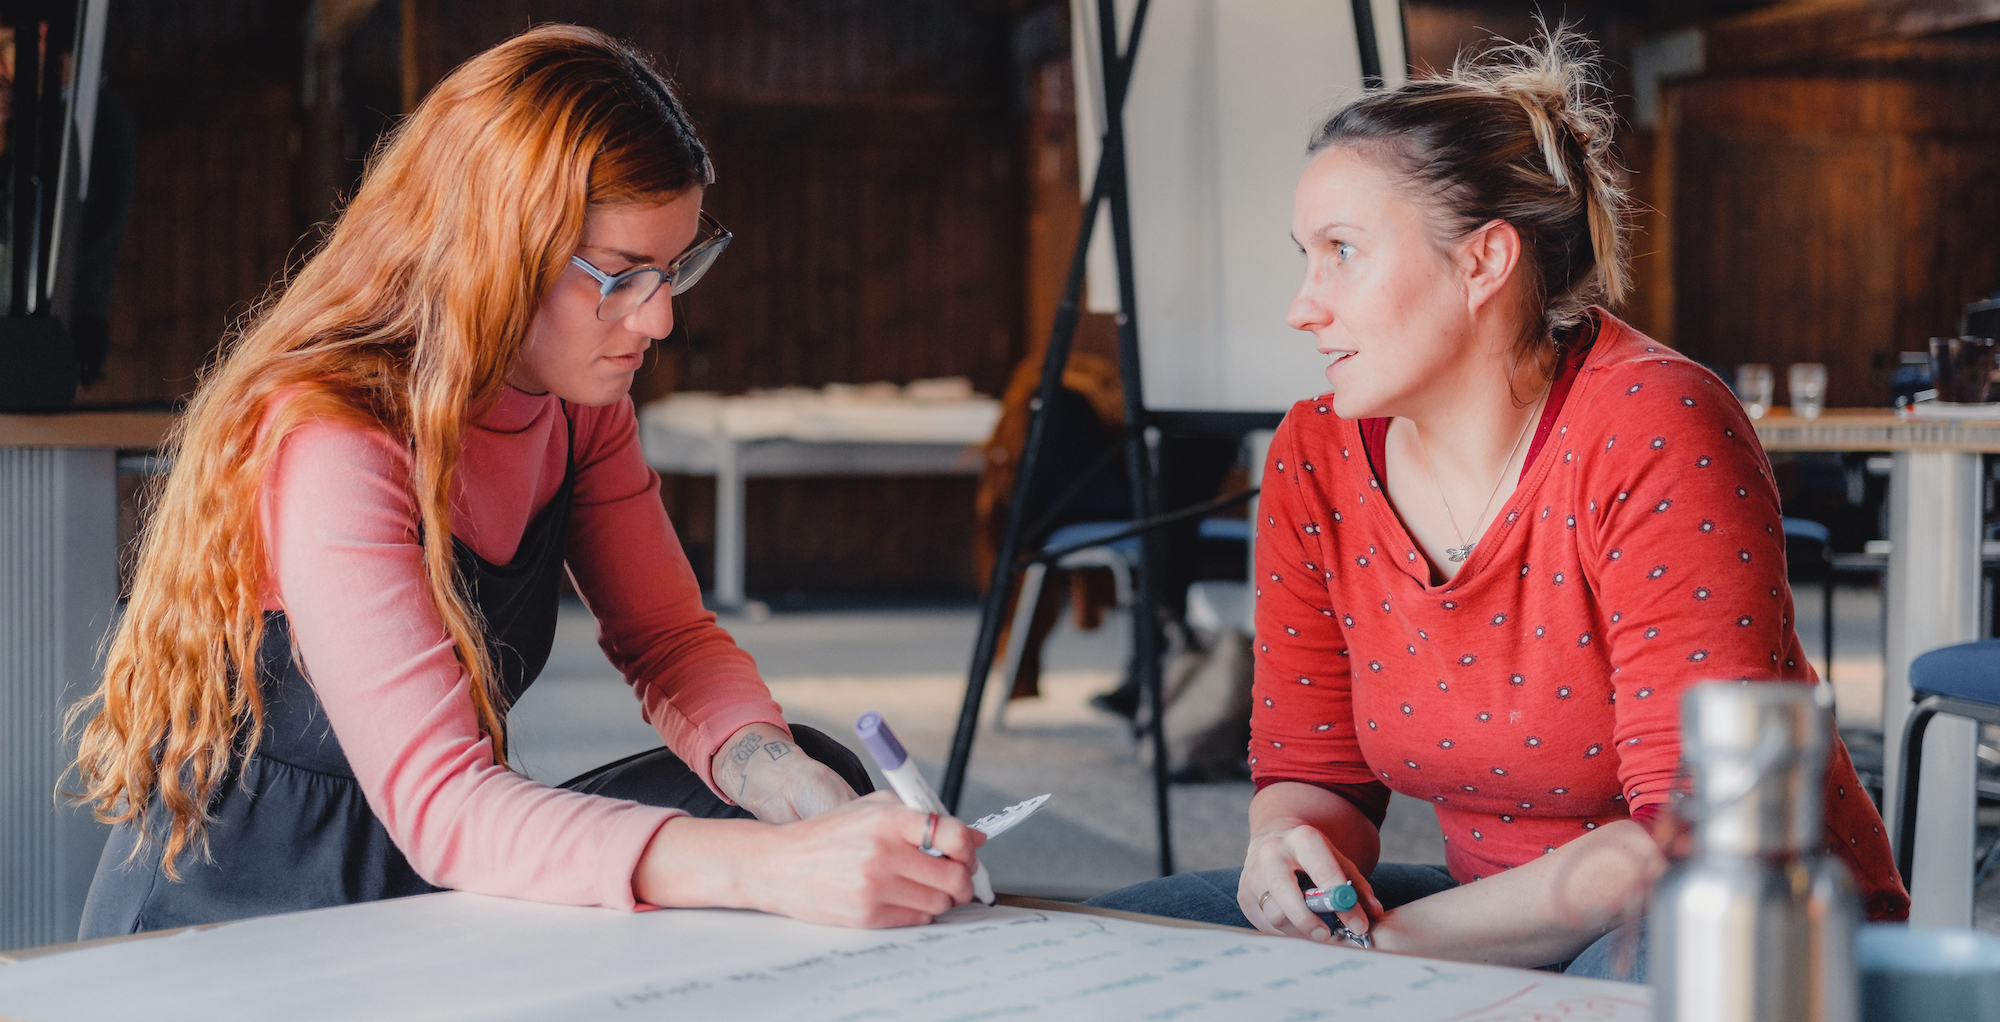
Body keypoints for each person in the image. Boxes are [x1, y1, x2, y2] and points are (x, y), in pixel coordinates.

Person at [68, 25, 982, 940]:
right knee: (759, 859)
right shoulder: (336, 437)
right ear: (493, 249)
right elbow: (445, 807)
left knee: (805, 780)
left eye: (674, 270)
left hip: (423, 870)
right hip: (244, 912)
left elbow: (667, 638)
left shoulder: (580, 402)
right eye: (622, 277)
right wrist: (774, 869)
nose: (659, 319)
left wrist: (779, 778)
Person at [1086, 26, 1907, 978]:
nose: (1302, 304)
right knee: (1119, 944)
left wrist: (1386, 951)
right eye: (1306, 255)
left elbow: (1699, 834)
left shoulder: (1654, 423)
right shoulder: (1316, 452)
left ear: (1483, 262)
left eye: (1341, 252)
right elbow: (1314, 775)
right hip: (1496, 920)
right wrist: (1286, 853)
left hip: (1731, 921)